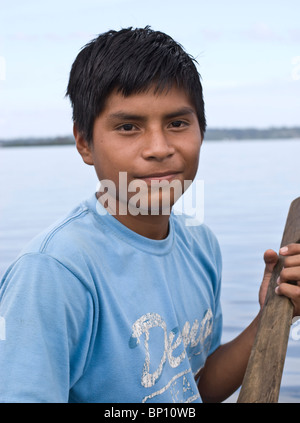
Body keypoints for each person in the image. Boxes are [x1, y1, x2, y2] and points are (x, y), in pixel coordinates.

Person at [0, 26, 300, 404]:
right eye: (128, 127)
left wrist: (273, 312)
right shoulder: (54, 272)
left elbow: (194, 388)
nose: (159, 148)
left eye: (177, 123)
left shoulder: (200, 244)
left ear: (201, 131)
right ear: (84, 143)